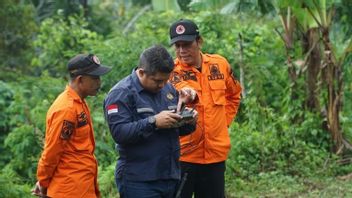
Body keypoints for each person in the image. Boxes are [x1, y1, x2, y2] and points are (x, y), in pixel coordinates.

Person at [104, 45, 198, 198]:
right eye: (157, 81)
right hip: (139, 180)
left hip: (169, 175)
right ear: (141, 72)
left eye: (166, 80)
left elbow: (176, 130)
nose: (162, 85)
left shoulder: (167, 89)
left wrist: (189, 120)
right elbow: (119, 133)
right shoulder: (121, 94)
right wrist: (153, 122)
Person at [168, 19, 242, 198]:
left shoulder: (220, 65)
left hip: (215, 155)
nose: (181, 51)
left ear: (199, 41)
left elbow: (234, 94)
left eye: (186, 45)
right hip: (184, 155)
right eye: (177, 46)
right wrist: (189, 95)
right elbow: (184, 91)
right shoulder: (171, 71)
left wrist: (223, 123)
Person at [32, 54, 111, 197]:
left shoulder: (79, 102)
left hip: (82, 185)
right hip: (70, 190)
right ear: (80, 80)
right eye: (95, 78)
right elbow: (52, 152)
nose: (99, 82)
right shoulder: (66, 109)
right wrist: (43, 183)